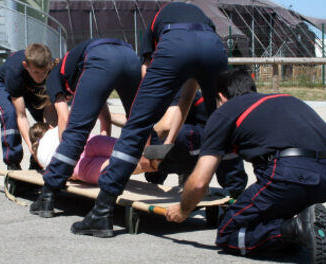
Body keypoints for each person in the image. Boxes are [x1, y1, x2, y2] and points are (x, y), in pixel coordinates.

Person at [70, 2, 228, 237]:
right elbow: (187, 95)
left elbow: (146, 71)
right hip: (214, 47)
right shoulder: (203, 19)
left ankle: (101, 213)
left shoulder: (156, 21)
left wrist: (146, 121)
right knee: (223, 121)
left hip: (176, 45)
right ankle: (234, 201)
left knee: (135, 127)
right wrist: (168, 140)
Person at [166, 68, 326, 264]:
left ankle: (295, 229)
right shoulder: (287, 99)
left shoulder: (225, 112)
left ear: (220, 97)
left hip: (291, 176)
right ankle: (300, 225)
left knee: (228, 233)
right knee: (275, 203)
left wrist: (183, 210)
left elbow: (200, 181)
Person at [29, 38, 141, 218]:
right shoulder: (78, 72)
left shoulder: (53, 79)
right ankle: (159, 172)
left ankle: (47, 198)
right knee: (139, 122)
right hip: (130, 56)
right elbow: (104, 114)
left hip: (101, 55)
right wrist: (103, 140)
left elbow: (64, 119)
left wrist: (61, 164)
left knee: (76, 131)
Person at [145, 90, 248, 198]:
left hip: (216, 136)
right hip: (199, 136)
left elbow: (164, 127)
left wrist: (141, 152)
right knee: (159, 146)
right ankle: (161, 183)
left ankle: (234, 194)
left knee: (163, 143)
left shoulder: (177, 92)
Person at [0, 43, 56, 171]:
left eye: (44, 72)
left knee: (51, 118)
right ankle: (13, 163)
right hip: (4, 86)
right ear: (26, 66)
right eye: (36, 72)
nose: (41, 77)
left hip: (31, 90)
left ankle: (37, 163)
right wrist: (33, 150)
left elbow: (48, 112)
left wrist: (50, 131)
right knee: (10, 114)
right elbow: (21, 117)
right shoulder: (14, 72)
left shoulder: (52, 68)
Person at [29, 122, 148, 185]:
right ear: (50, 126)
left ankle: (151, 165)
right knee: (127, 150)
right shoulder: (56, 129)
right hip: (86, 143)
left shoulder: (40, 156)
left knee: (117, 169)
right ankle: (155, 157)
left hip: (76, 168)